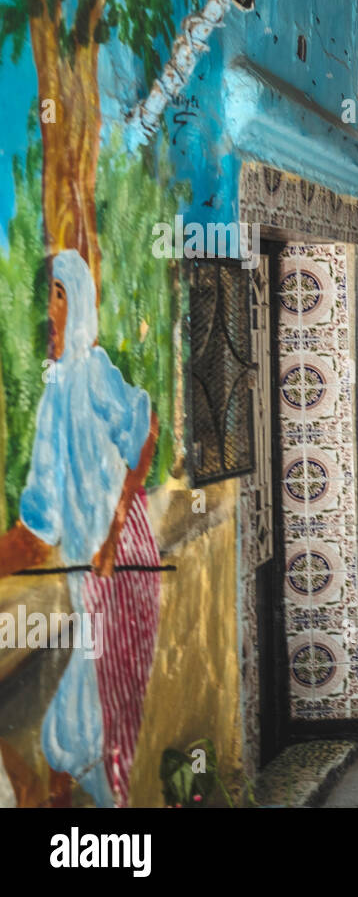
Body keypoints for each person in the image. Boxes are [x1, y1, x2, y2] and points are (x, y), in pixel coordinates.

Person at [0, 249, 161, 807]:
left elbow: (146, 430)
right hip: (110, 573)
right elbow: (41, 522)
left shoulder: (90, 375)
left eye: (59, 295)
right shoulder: (65, 386)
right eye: (48, 296)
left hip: (120, 569)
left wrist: (115, 531)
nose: (50, 311)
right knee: (90, 723)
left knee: (81, 725)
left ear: (80, 302)